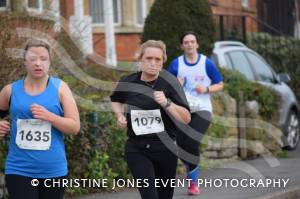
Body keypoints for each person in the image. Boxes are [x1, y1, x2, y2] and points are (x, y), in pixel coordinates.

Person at [0, 39, 80, 199]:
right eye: (32, 59)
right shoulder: (10, 91)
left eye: (43, 59)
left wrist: (50, 117)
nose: (38, 63)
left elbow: (74, 127)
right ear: (24, 61)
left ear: (50, 61)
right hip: (19, 169)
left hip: (54, 170)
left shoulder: (61, 88)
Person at [110, 40, 191, 199]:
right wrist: (119, 115)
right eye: (148, 58)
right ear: (140, 60)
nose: (153, 63)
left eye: (157, 59)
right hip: (137, 148)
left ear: (162, 62)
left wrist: (167, 103)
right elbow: (116, 99)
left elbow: (186, 118)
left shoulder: (170, 83)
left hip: (165, 148)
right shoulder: (128, 81)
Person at [168, 31, 224, 195]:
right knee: (181, 146)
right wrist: (175, 84)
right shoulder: (176, 64)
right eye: (186, 42)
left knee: (191, 143)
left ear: (197, 44)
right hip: (181, 110)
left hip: (202, 109)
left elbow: (220, 84)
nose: (190, 44)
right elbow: (164, 85)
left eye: (192, 41)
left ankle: (193, 183)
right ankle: (191, 169)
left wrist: (206, 89)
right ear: (182, 46)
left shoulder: (206, 63)